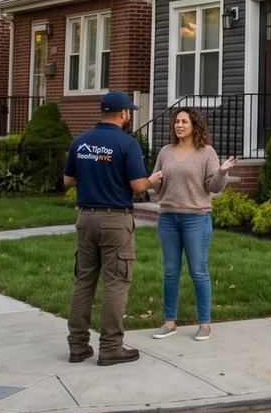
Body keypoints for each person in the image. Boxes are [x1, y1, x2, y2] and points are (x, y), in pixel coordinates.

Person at [62, 90, 150, 366]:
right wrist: (155, 178)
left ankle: (78, 346)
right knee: (116, 282)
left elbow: (68, 180)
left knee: (84, 280)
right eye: (129, 112)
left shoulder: (81, 142)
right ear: (123, 113)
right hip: (115, 220)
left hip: (85, 219)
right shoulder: (127, 144)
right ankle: (111, 347)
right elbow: (138, 186)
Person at [147, 107, 237, 341]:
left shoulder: (206, 152)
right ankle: (169, 322)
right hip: (168, 218)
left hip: (196, 219)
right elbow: (156, 184)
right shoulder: (165, 152)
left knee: (198, 271)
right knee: (170, 272)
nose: (179, 125)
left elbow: (213, 187)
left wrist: (222, 172)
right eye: (177, 122)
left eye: (184, 122)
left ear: (194, 125)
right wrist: (151, 180)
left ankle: (204, 324)